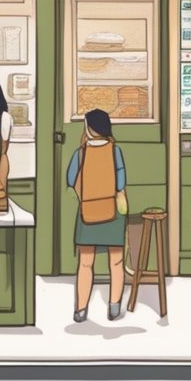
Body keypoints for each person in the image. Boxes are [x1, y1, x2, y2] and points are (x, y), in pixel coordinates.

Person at [66, 108, 128, 322]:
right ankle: (114, 306)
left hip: (88, 212)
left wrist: (86, 195)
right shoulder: (115, 151)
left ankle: (81, 309)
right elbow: (121, 182)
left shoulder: (80, 152)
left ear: (89, 128)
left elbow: (71, 179)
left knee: (85, 262)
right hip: (113, 211)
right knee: (116, 261)